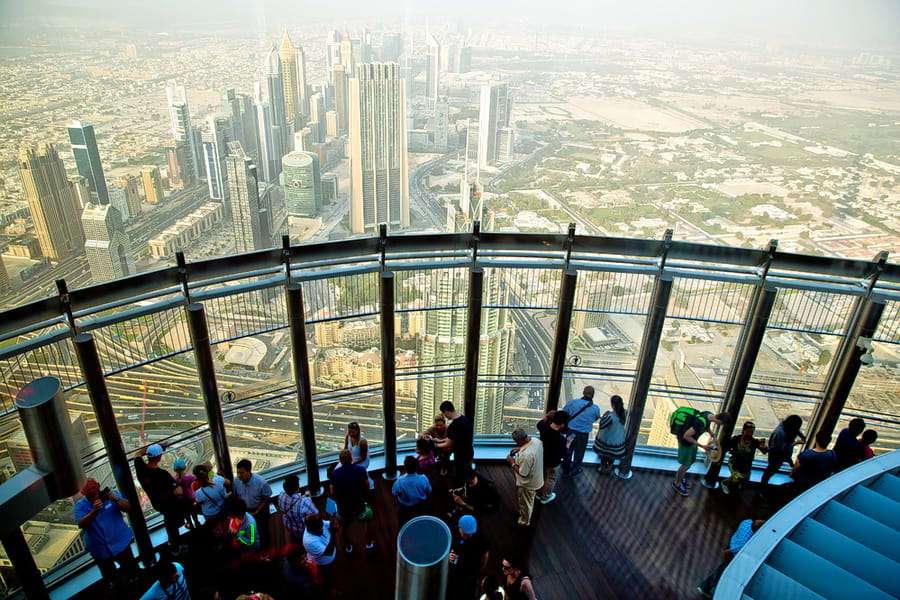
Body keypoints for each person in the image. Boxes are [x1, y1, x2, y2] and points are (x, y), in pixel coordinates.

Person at [74, 478, 137, 587]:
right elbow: (81, 524)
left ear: (98, 486)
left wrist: (116, 500)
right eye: (89, 490)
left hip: (121, 543)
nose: (93, 491)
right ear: (83, 493)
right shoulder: (80, 506)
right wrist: (94, 511)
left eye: (94, 488)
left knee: (131, 570)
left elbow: (128, 507)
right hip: (100, 550)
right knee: (111, 579)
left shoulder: (111, 495)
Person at [134, 443, 186, 552]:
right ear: (159, 457)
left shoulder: (140, 468)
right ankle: (175, 546)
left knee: (169, 522)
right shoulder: (163, 474)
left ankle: (174, 545)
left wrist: (153, 448)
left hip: (157, 503)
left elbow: (137, 454)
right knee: (172, 524)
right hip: (169, 503)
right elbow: (178, 492)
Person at [696, 519, 765, 598]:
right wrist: (728, 552)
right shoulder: (748, 539)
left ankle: (706, 587)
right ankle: (705, 588)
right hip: (732, 554)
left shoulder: (747, 522)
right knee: (722, 572)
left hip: (731, 544)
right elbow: (739, 548)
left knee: (721, 570)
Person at [670, 408, 730, 496]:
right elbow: (686, 436)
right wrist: (703, 446)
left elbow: (706, 425)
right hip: (686, 443)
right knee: (686, 464)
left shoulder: (709, 413)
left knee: (689, 462)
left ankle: (679, 479)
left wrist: (711, 434)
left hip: (692, 442)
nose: (721, 425)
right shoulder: (701, 423)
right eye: (722, 424)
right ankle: (677, 483)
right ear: (720, 421)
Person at [330, 449, 375, 555]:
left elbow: (332, 491)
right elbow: (367, 485)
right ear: (351, 459)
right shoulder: (360, 470)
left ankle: (348, 546)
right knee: (365, 522)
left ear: (340, 461)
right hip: (358, 503)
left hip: (343, 506)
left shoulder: (335, 473)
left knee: (344, 527)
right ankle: (368, 543)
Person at [561, 386, 601, 476]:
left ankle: (565, 469)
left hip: (571, 433)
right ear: (593, 395)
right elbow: (596, 418)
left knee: (568, 450)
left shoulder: (573, 403)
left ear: (583, 392)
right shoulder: (595, 408)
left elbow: (564, 412)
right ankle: (575, 470)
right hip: (583, 436)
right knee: (579, 453)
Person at [233, 459, 272, 548]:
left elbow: (266, 497)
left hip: (259, 511)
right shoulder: (236, 481)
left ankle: (265, 552)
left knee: (262, 532)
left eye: (242, 473)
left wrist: (257, 510)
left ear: (249, 471)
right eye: (238, 473)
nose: (239, 476)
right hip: (245, 512)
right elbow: (236, 496)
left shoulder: (261, 482)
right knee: (247, 532)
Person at [721, 421, 768, 495]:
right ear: (743, 431)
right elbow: (727, 447)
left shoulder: (754, 442)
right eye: (748, 431)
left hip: (746, 466)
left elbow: (764, 451)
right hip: (735, 463)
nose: (750, 434)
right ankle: (727, 486)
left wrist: (763, 446)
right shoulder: (737, 439)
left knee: (742, 479)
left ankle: (732, 487)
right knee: (736, 478)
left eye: (752, 432)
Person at [448, 515, 489, 600]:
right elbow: (451, 548)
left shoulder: (480, 538)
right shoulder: (453, 533)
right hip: (457, 570)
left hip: (471, 571)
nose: (467, 536)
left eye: (469, 534)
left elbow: (486, 553)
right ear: (460, 528)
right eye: (464, 533)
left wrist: (482, 568)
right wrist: (449, 555)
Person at [508, 428, 543, 527]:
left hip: (527, 484)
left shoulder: (526, 456)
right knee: (529, 499)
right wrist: (519, 449)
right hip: (537, 477)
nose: (516, 443)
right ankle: (524, 512)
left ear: (520, 440)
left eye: (516, 442)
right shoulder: (536, 441)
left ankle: (525, 520)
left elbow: (523, 473)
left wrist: (512, 462)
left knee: (526, 502)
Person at [760, 415, 806, 487]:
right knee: (771, 470)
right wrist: (796, 443)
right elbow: (781, 449)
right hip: (776, 456)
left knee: (770, 470)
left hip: (779, 455)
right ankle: (763, 485)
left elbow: (796, 430)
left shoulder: (785, 426)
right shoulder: (780, 433)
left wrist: (801, 435)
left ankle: (763, 484)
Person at [436, 401, 474, 484]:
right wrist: (440, 440)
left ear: (446, 411)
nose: (444, 416)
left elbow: (449, 443)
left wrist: (436, 445)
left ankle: (462, 492)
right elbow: (455, 438)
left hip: (461, 455)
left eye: (443, 413)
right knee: (468, 473)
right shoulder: (464, 419)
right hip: (469, 452)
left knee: (460, 477)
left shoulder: (453, 426)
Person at [536, 409, 568, 504]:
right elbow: (564, 452)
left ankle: (539, 493)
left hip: (542, 457)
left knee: (542, 476)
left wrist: (547, 415)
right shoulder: (560, 438)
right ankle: (545, 496)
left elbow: (539, 424)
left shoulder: (544, 427)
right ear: (562, 424)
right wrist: (568, 443)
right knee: (551, 478)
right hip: (553, 461)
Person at [278, 473, 318, 544]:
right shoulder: (304, 501)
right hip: (302, 530)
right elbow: (316, 514)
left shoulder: (281, 496)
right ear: (298, 487)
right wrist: (309, 498)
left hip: (289, 526)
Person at [392, 455, 433, 524]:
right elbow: (429, 491)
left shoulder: (399, 481)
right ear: (417, 467)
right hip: (421, 505)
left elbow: (394, 493)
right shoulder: (423, 478)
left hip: (405, 507)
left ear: (405, 467)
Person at [303, 513, 337, 589]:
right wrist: (333, 532)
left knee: (332, 572)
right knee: (327, 577)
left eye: (321, 527)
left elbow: (329, 524)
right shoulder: (309, 541)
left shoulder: (317, 522)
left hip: (331, 557)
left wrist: (334, 521)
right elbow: (329, 552)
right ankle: (329, 590)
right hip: (325, 563)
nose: (322, 529)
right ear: (310, 529)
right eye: (319, 528)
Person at [193, 464, 230, 534]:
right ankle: (227, 536)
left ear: (197, 477)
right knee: (225, 526)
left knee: (215, 530)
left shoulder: (198, 492)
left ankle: (218, 538)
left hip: (210, 515)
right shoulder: (218, 480)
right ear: (208, 472)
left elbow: (199, 502)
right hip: (222, 509)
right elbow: (228, 482)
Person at [594, 395, 628, 471]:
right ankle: (609, 468)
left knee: (605, 454)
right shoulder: (625, 413)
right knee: (612, 456)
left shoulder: (611, 416)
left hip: (608, 440)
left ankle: (602, 468)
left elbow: (602, 425)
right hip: (618, 440)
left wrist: (604, 415)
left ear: (612, 405)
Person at [173, 458, 200, 529]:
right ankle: (197, 522)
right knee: (193, 512)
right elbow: (197, 479)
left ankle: (190, 524)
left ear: (174, 469)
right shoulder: (189, 477)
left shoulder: (174, 479)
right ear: (185, 467)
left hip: (182, 500)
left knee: (186, 513)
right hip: (191, 498)